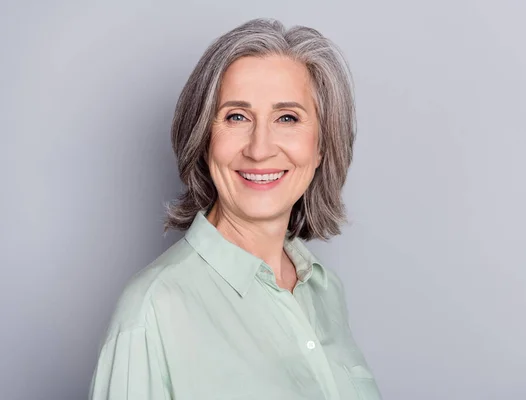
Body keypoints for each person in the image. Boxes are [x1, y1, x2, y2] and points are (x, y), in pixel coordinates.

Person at [89, 18, 381, 400]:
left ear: (321, 146)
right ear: (204, 139)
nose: (259, 149)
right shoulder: (152, 311)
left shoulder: (326, 292)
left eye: (287, 118)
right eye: (236, 117)